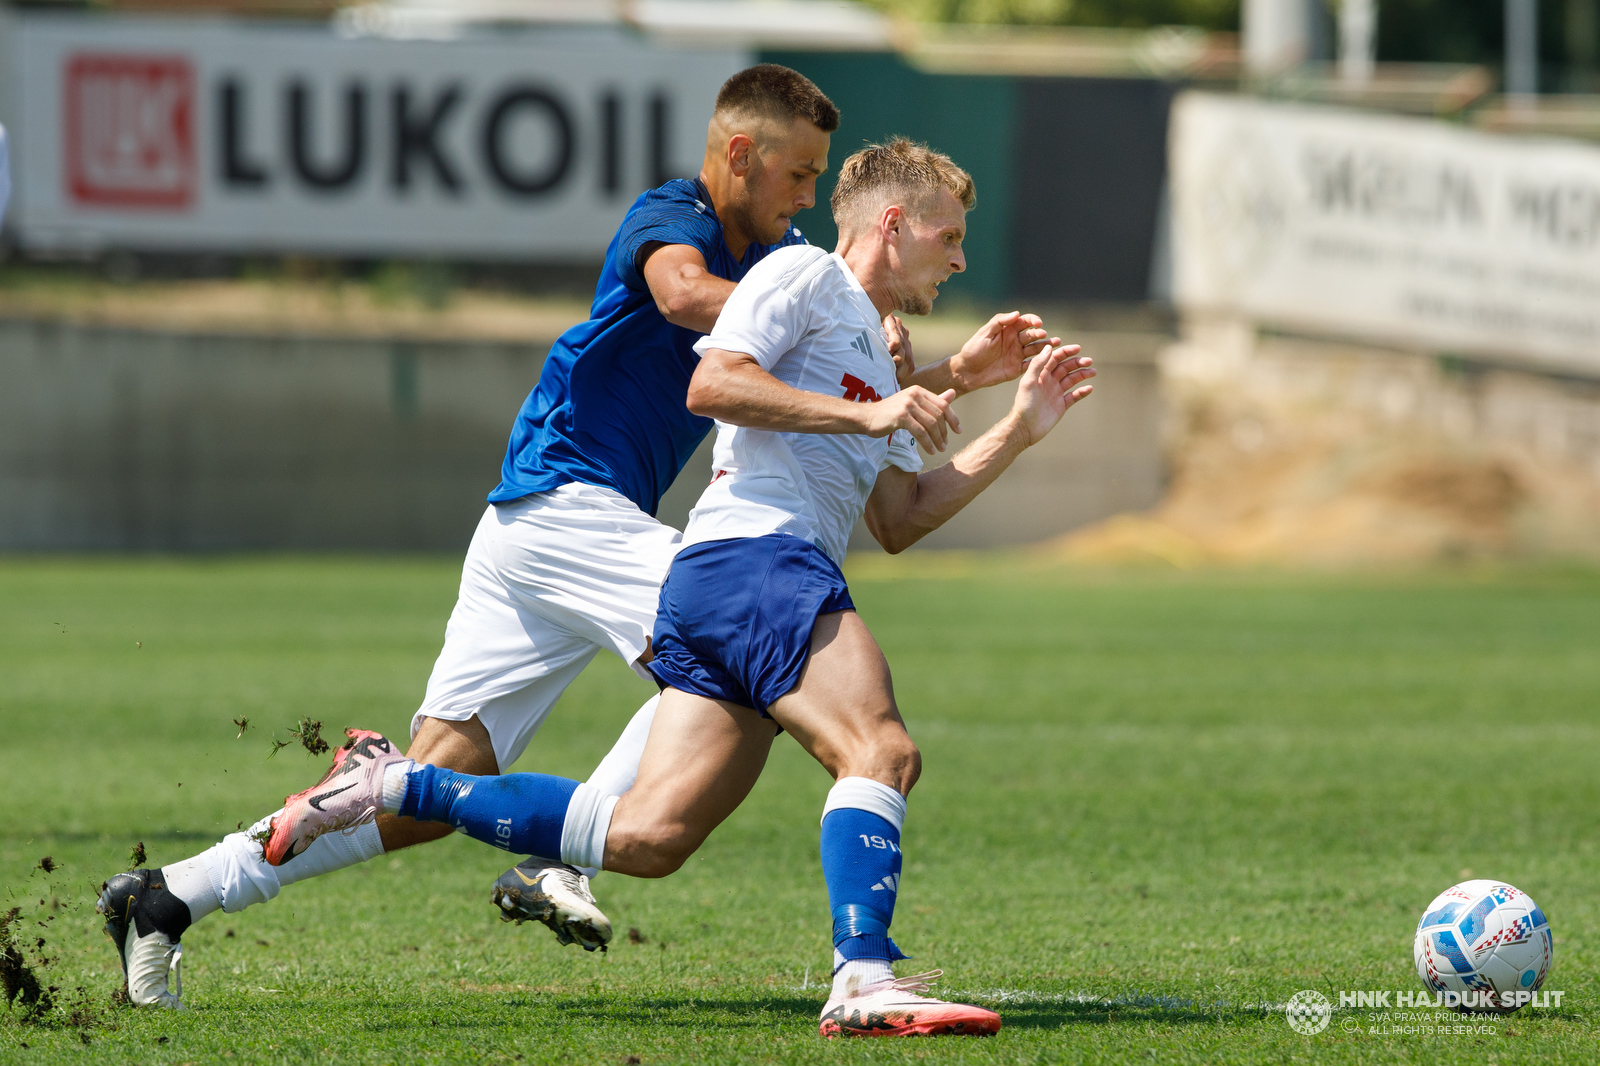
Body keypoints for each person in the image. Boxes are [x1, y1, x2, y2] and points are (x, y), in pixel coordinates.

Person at [96, 68, 1055, 1010]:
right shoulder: (677, 219)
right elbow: (688, 300)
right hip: (570, 501)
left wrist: (926, 368)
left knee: (438, 789)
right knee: (736, 654)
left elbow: (852, 413)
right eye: (797, 174)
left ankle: (174, 893)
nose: (806, 194)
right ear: (738, 156)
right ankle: (560, 857)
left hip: (534, 525)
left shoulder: (796, 271)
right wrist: (830, 307)